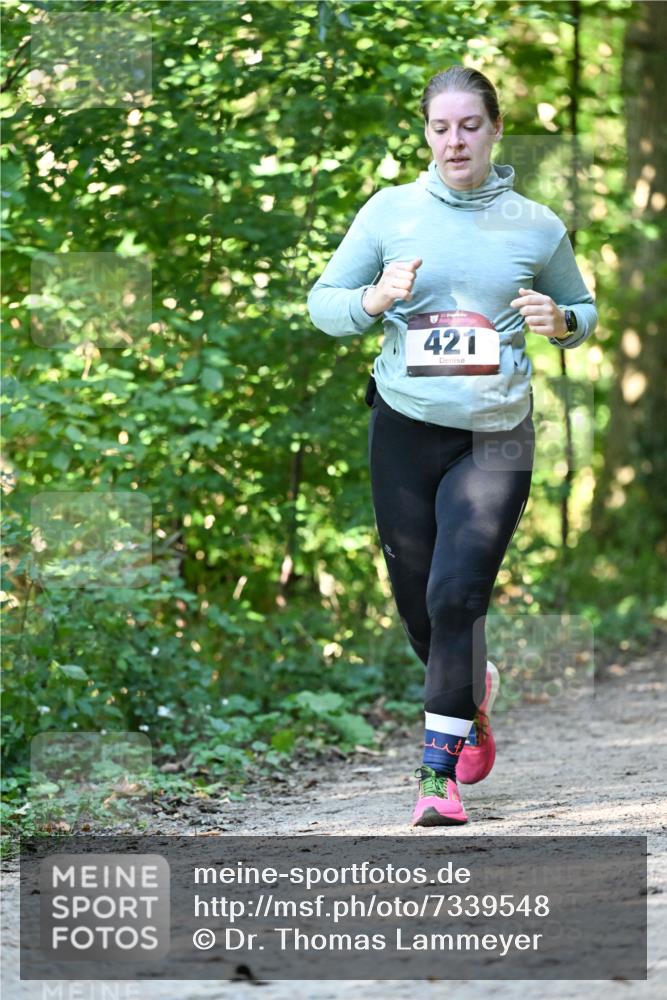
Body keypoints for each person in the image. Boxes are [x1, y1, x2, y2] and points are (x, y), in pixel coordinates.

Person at [307, 65, 597, 827]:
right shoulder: (388, 213)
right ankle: (470, 691)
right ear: (425, 133)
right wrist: (374, 299)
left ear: (494, 129)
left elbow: (579, 305)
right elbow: (323, 304)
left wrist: (559, 322)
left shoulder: (535, 225)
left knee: (457, 594)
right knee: (418, 608)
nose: (453, 140)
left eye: (468, 125)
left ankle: (437, 778)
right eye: (440, 127)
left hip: (495, 432)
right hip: (403, 426)